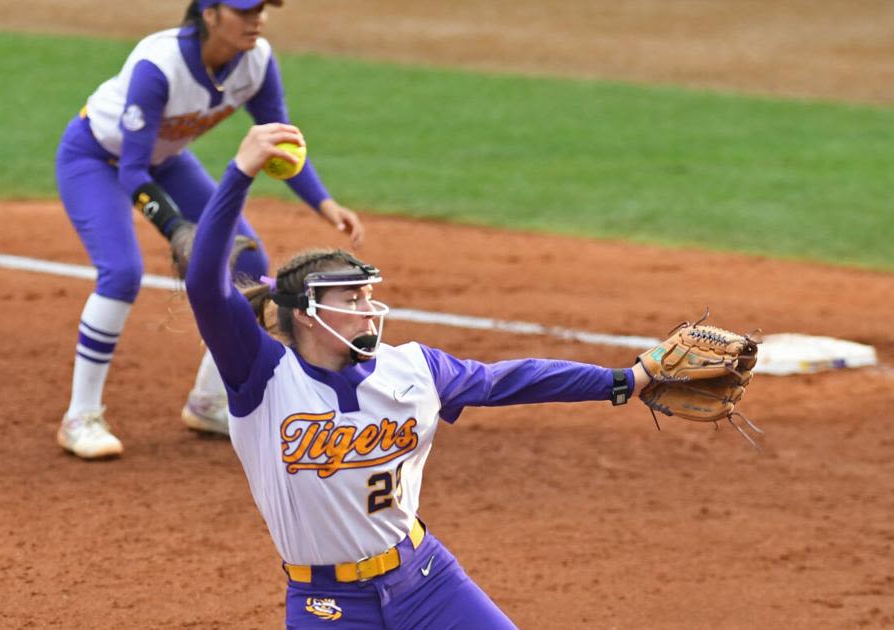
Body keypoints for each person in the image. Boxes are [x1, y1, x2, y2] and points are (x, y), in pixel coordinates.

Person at [185, 123, 655, 629]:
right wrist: (240, 172)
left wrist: (625, 380)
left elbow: (511, 380)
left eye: (369, 296)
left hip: (427, 578)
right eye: (353, 300)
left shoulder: (411, 367)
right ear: (307, 313)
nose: (370, 310)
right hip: (330, 604)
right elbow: (204, 285)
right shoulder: (261, 378)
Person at [54, 0, 364, 459]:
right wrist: (177, 229)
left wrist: (324, 203)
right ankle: (80, 417)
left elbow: (279, 140)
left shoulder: (256, 61)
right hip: (97, 158)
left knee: (252, 261)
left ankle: (208, 401)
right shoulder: (158, 66)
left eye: (263, 9)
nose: (256, 19)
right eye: (244, 10)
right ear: (210, 14)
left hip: (167, 158)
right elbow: (132, 171)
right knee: (120, 273)